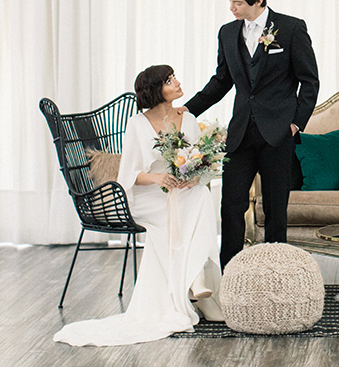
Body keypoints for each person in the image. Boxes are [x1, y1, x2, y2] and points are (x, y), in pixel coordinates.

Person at [54, 65, 224, 346]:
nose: (178, 83)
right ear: (157, 90)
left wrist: (190, 179)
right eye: (170, 81)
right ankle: (196, 287)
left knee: (201, 197)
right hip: (148, 196)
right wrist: (158, 177)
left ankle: (196, 286)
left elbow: (198, 163)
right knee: (183, 210)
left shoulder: (188, 118)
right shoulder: (136, 125)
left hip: (180, 192)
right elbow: (128, 175)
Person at [181, 0, 319, 268]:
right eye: (229, 1)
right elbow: (221, 81)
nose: (231, 8)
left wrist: (296, 124)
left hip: (278, 135)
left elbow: (310, 82)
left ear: (258, 0)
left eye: (237, 3)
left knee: (274, 210)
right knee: (230, 206)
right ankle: (229, 275)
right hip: (240, 134)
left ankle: (274, 273)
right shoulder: (227, 33)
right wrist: (187, 110)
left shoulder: (292, 29)